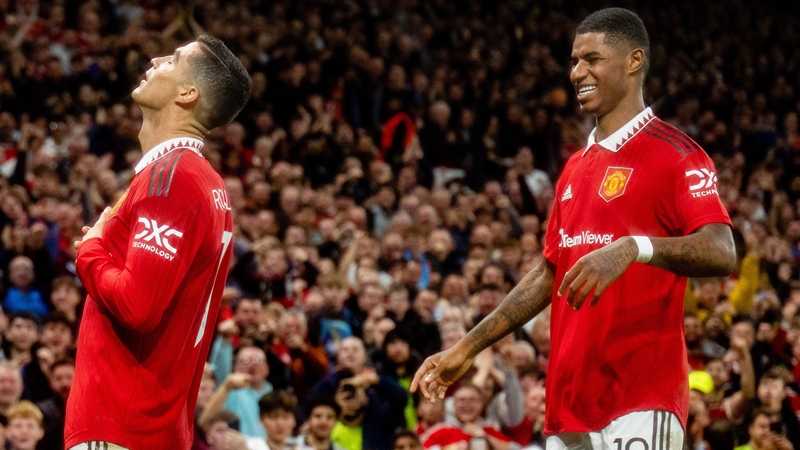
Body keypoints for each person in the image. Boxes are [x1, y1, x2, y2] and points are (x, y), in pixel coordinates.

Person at [412, 7, 737, 450]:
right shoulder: (572, 169)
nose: (577, 72)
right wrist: (468, 347)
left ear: (633, 61)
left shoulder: (678, 154)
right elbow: (549, 274)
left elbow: (721, 250)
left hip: (641, 397)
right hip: (569, 405)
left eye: (592, 59)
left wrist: (632, 248)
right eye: (573, 61)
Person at [65, 35, 250, 450]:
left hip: (121, 424)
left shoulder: (173, 178)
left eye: (174, 59)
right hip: (147, 427)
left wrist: (91, 251)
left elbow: (138, 306)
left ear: (188, 93)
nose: (156, 58)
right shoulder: (201, 181)